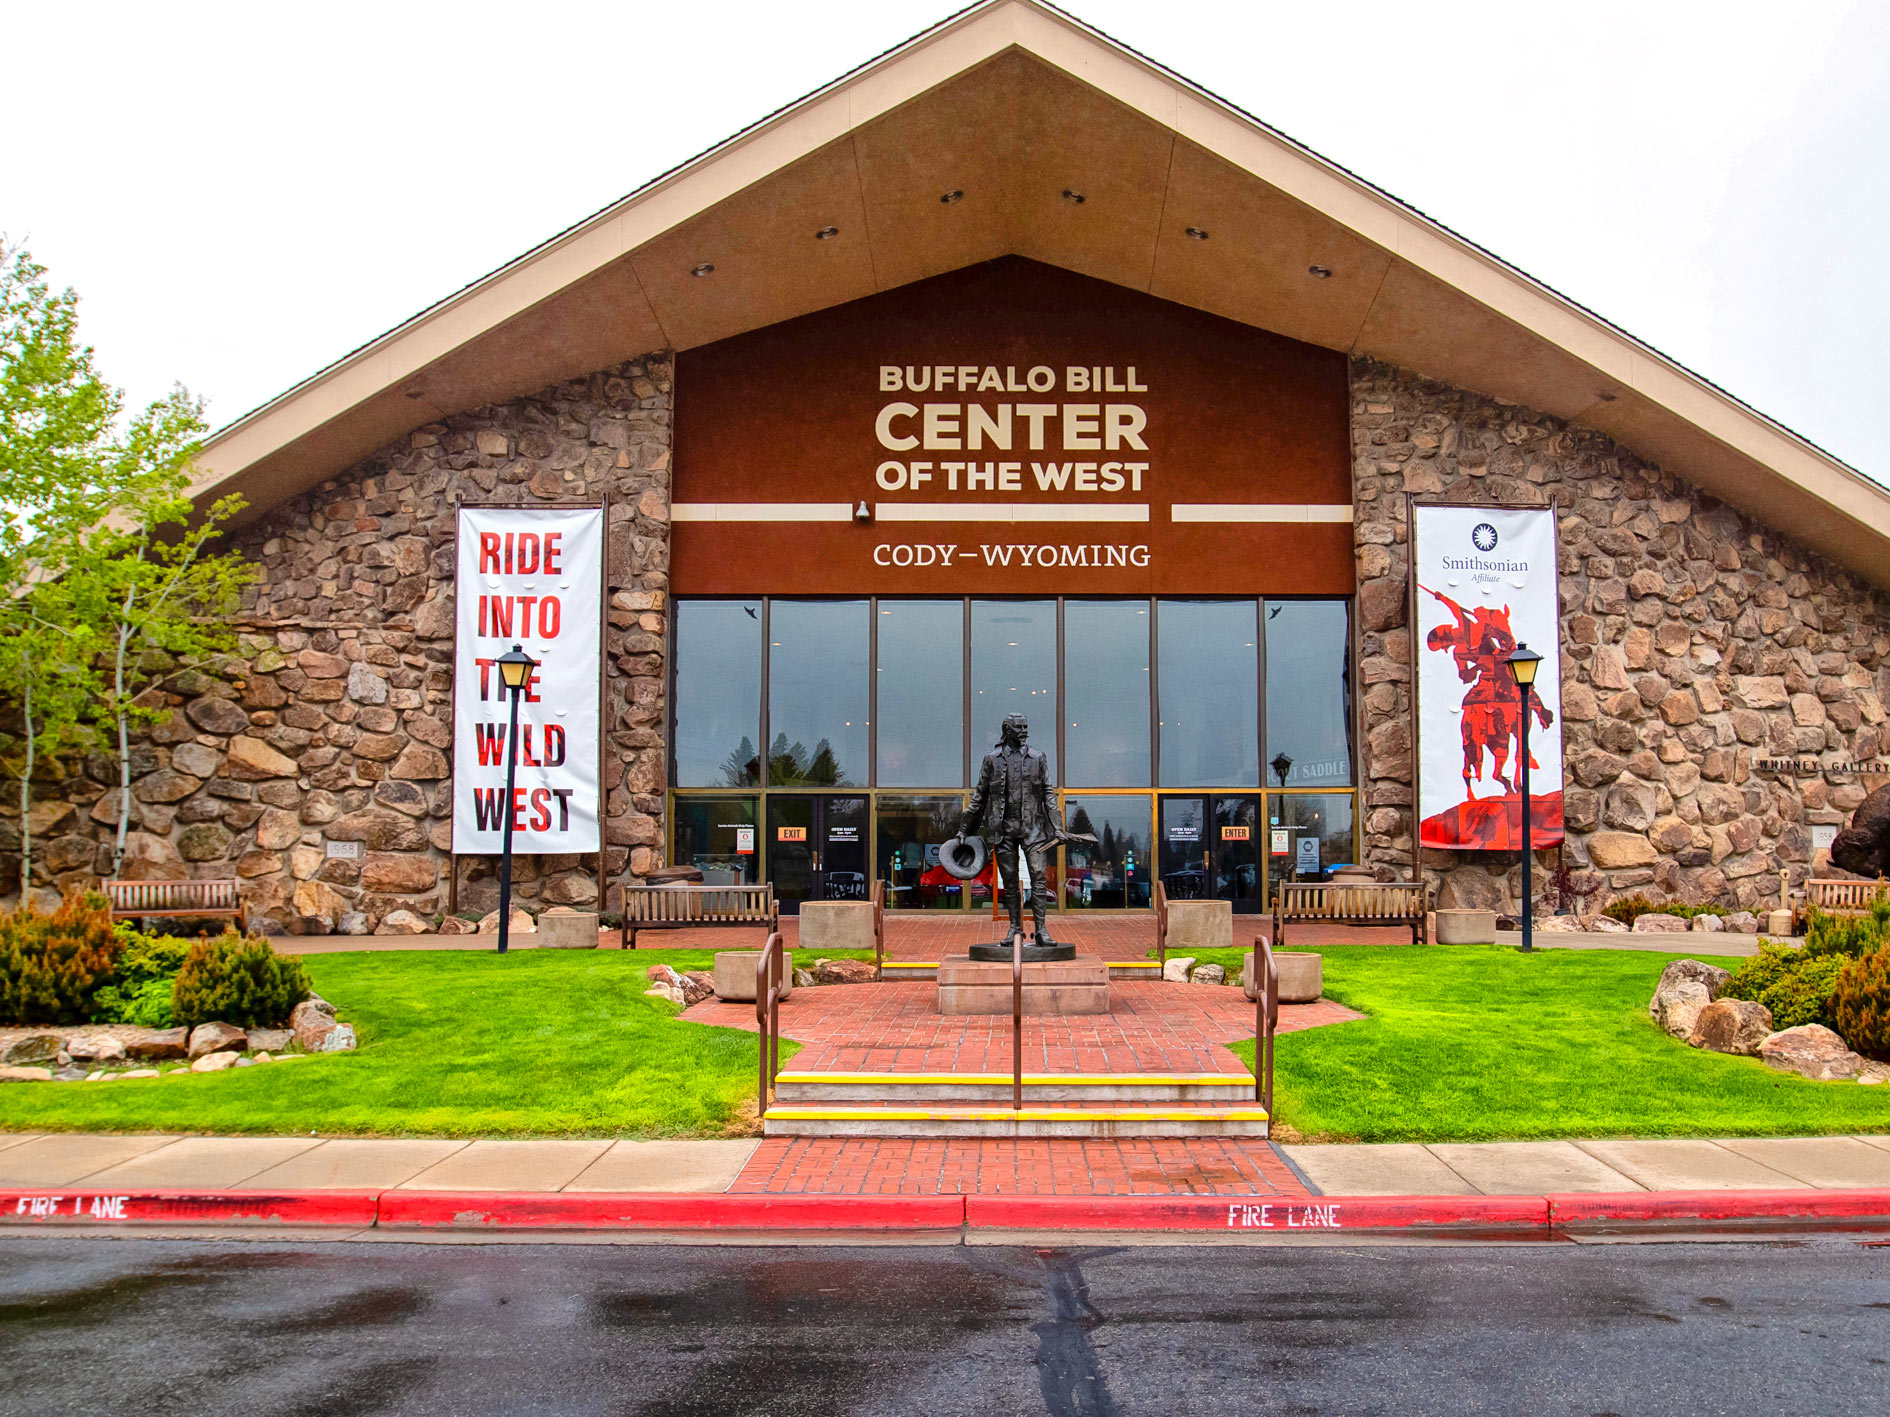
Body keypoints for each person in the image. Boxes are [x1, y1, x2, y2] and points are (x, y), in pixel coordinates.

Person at [959, 713, 1066, 946]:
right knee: (1009, 880)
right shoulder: (992, 759)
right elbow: (980, 796)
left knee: (1039, 877)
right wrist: (965, 829)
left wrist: (1058, 827)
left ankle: (1041, 930)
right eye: (1019, 727)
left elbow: (1048, 793)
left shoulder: (1038, 757)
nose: (1025, 731)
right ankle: (1015, 929)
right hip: (1003, 829)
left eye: (1026, 726)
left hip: (1034, 829)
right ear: (1007, 730)